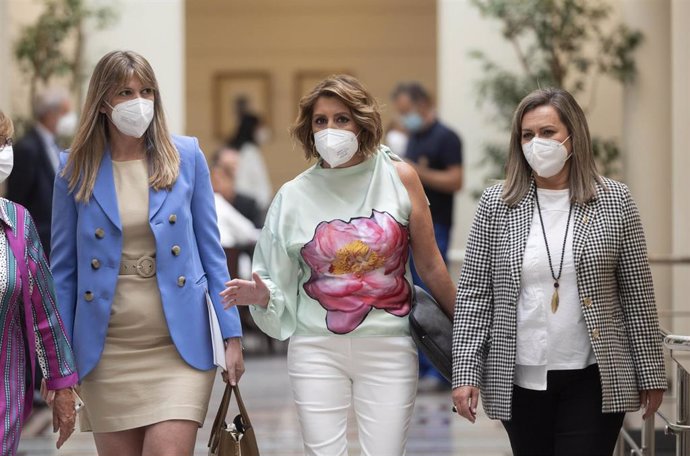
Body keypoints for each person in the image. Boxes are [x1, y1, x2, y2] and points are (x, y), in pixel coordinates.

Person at [221, 74, 456, 456]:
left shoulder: (400, 178)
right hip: (316, 348)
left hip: (389, 347)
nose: (331, 129)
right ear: (309, 130)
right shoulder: (293, 195)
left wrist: (468, 337)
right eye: (321, 121)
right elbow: (274, 277)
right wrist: (261, 294)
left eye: (341, 119)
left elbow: (430, 267)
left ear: (362, 123)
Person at [452, 88, 667, 455]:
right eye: (527, 135)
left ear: (573, 135)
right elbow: (475, 294)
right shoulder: (497, 204)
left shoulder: (614, 200)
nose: (537, 142)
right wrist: (466, 372)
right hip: (519, 377)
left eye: (548, 132)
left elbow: (637, 291)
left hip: (593, 375)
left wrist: (651, 372)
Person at [50, 50, 244, 456]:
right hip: (107, 351)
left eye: (147, 90)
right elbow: (64, 273)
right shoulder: (73, 169)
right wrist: (60, 364)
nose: (139, 101)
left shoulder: (186, 156)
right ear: (103, 102)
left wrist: (232, 335)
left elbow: (212, 254)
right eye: (125, 91)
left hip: (179, 348)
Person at [0, 110, 78, 454]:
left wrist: (62, 386)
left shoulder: (18, 221)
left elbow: (44, 309)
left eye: (5, 142)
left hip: (4, 394)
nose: (4, 151)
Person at [392, 81, 463, 389]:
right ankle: (423, 366)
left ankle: (443, 366)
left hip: (438, 224)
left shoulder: (446, 138)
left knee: (433, 292)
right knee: (414, 295)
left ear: (424, 105)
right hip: (409, 225)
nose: (405, 117)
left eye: (408, 111)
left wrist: (416, 173)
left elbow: (455, 180)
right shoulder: (414, 139)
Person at [7, 87, 76, 257]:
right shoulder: (27, 148)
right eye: (65, 112)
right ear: (50, 114)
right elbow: (16, 202)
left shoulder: (55, 145)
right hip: (34, 247)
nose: (69, 118)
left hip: (55, 243)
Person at [228, 112, 273, 210]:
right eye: (260, 127)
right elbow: (259, 182)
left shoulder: (240, 150)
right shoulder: (250, 152)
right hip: (251, 206)